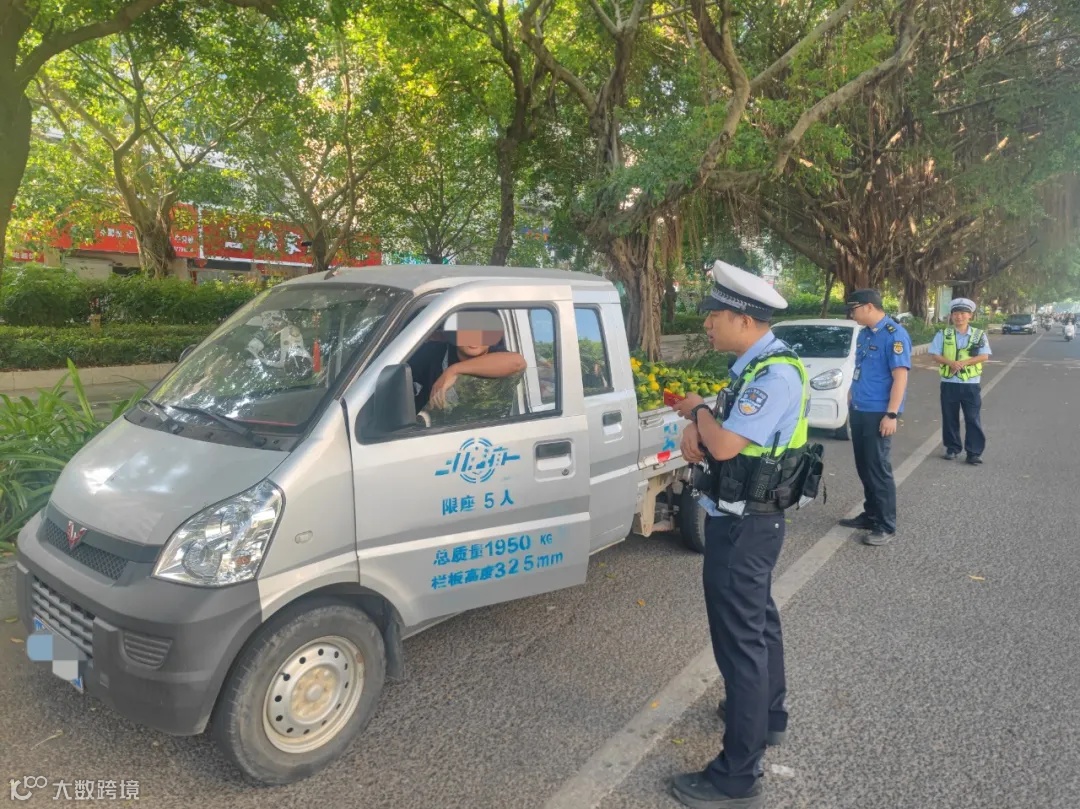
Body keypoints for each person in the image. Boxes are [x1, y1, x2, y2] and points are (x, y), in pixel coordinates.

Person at [668, 260, 813, 809]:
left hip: (744, 524)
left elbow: (726, 443)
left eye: (715, 316)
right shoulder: (757, 366)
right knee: (758, 625)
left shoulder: (773, 375)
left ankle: (736, 775)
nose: (707, 324)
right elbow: (725, 431)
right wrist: (698, 422)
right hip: (751, 519)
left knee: (740, 642)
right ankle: (766, 715)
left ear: (745, 320)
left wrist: (698, 412)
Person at [839, 289, 911, 546]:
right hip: (860, 407)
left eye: (854, 309)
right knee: (864, 466)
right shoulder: (865, 333)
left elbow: (900, 377)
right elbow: (861, 368)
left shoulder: (895, 334)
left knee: (878, 469)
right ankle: (870, 515)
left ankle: (885, 525)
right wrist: (851, 393)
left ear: (869, 307)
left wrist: (891, 414)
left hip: (878, 412)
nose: (851, 315)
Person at [408, 309, 526, 426]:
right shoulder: (433, 353)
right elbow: (399, 372)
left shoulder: (498, 356)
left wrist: (453, 370)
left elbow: (517, 362)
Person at [928, 298, 991, 464]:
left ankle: (974, 453)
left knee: (972, 418)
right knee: (949, 417)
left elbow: (984, 356)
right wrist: (950, 363)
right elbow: (935, 354)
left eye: (963, 313)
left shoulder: (979, 335)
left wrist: (964, 363)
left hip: (971, 384)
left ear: (970, 315)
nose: (959, 317)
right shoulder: (943, 334)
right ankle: (952, 448)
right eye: (956, 313)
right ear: (951, 316)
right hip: (949, 383)